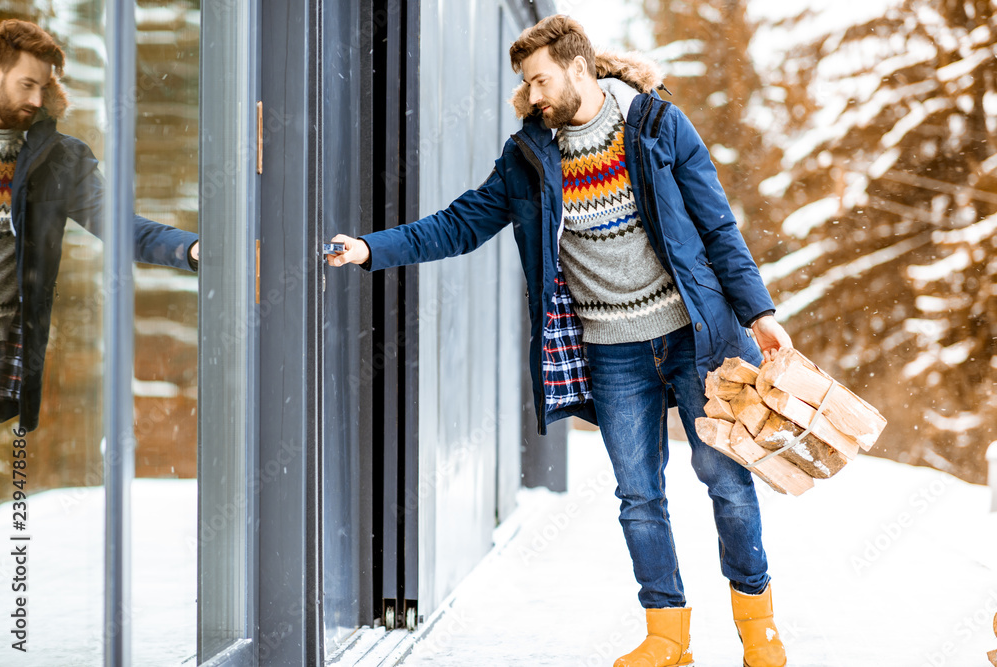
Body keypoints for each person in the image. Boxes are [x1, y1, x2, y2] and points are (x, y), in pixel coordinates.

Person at [330, 15, 790, 667]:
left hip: (694, 336)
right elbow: (462, 222)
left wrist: (761, 313)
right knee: (638, 495)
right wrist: (372, 248)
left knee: (725, 479)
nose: (533, 91)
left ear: (580, 67)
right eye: (526, 81)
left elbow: (718, 227)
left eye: (541, 77)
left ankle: (759, 627)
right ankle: (668, 634)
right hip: (612, 350)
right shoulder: (530, 156)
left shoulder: (657, 127)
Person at [0, 19, 199, 433]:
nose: (37, 99)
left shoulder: (59, 160)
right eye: (26, 84)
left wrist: (193, 249)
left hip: (5, 349)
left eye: (45, 87)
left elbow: (124, 228)